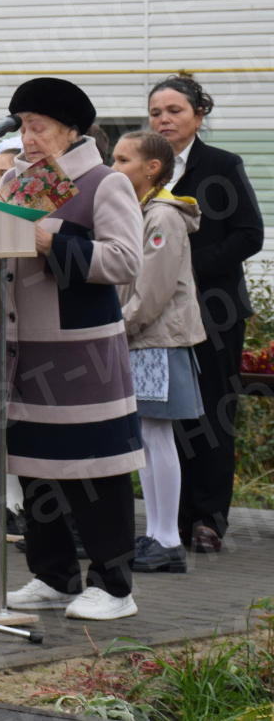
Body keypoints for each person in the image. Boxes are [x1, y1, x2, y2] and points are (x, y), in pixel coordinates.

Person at [0, 78, 143, 622]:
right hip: (19, 352)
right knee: (34, 468)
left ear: (71, 131)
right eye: (22, 126)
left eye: (38, 126)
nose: (26, 137)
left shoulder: (105, 183)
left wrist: (53, 242)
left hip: (80, 356)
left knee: (96, 472)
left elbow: (123, 262)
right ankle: (52, 575)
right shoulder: (24, 183)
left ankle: (115, 586)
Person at [148, 77, 263, 553]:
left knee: (213, 410)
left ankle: (208, 519)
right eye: (156, 112)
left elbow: (249, 234)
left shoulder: (220, 165)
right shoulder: (146, 168)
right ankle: (168, 518)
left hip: (214, 309)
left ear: (198, 115)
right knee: (164, 413)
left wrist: (188, 267)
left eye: (175, 111)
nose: (164, 120)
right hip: (159, 314)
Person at [113, 130, 204, 575]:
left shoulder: (163, 217)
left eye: (123, 160)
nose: (114, 169)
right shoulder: (139, 211)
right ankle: (157, 532)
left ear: (152, 169)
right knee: (146, 438)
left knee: (156, 436)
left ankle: (167, 538)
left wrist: (118, 326)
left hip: (156, 339)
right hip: (142, 339)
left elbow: (152, 291)